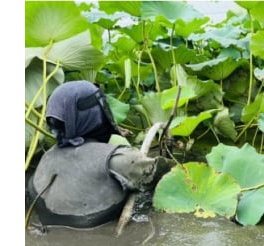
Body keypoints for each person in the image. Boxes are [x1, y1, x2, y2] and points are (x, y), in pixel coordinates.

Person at [27, 80, 174, 228]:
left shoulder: (44, 159)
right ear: (95, 113)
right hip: (99, 239)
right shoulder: (120, 160)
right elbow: (172, 175)